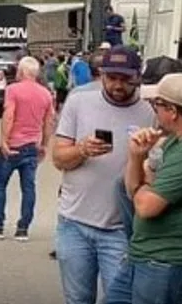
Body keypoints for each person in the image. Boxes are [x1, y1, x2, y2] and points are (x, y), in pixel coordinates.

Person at [52, 46, 155, 304]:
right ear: (101, 74)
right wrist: (82, 150)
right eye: (112, 78)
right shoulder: (79, 101)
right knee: (78, 299)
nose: (118, 85)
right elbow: (58, 158)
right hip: (74, 223)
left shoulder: (151, 111)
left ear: (137, 77)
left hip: (121, 229)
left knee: (120, 299)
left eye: (125, 78)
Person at [103, 74, 182, 304]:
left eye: (156, 104)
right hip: (142, 256)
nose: (153, 110)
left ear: (172, 111)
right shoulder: (171, 143)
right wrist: (136, 156)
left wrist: (144, 184)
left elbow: (146, 207)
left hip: (163, 261)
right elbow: (130, 188)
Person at [0, 57, 54, 241]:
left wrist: (4, 140)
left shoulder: (13, 90)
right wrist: (44, 144)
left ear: (21, 72)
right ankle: (23, 228)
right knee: (28, 188)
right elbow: (49, 121)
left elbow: (9, 115)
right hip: (31, 146)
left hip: (13, 144)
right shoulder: (45, 94)